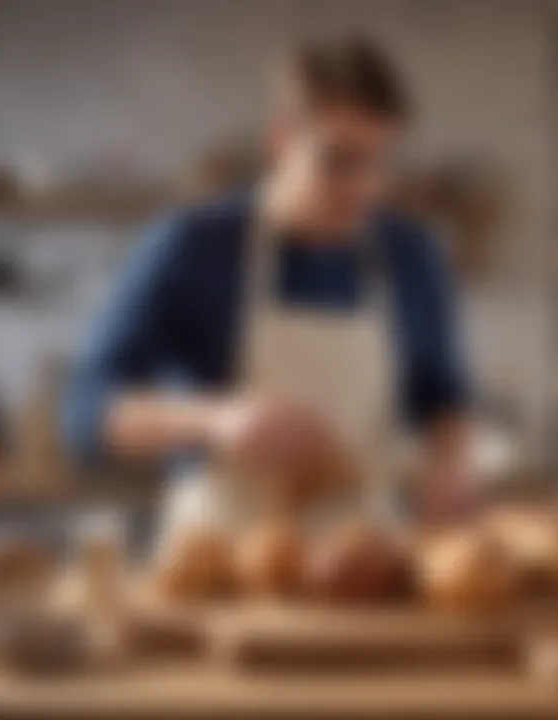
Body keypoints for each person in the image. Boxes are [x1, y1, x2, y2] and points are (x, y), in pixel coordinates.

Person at [63, 35, 473, 529]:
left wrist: (451, 465)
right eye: (339, 161)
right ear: (281, 140)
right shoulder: (193, 246)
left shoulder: (411, 256)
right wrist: (215, 420)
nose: (364, 188)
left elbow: (445, 401)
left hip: (365, 558)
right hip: (221, 558)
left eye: (378, 162)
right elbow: (86, 410)